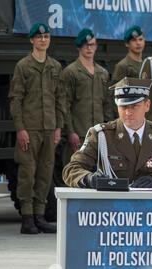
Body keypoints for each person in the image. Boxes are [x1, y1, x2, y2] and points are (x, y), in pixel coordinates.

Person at [63, 78, 152, 188]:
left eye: (134, 106)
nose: (128, 112)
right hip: (113, 208)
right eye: (123, 107)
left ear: (147, 105)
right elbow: (71, 170)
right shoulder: (102, 135)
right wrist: (90, 179)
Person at [9, 23, 63, 234]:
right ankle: (27, 217)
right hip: (30, 129)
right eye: (39, 37)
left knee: (45, 173)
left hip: (49, 129)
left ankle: (39, 215)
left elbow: (60, 99)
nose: (43, 40)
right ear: (31, 40)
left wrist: (59, 127)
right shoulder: (23, 66)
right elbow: (15, 100)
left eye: (46, 36)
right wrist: (20, 129)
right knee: (27, 173)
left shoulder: (55, 67)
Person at [59, 29, 114, 175]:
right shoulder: (70, 72)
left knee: (99, 175)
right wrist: (70, 132)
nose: (89, 48)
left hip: (98, 134)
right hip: (79, 134)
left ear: (96, 46)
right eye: (85, 45)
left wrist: (108, 129)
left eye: (92, 45)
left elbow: (107, 104)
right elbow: (65, 105)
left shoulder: (102, 73)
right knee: (74, 174)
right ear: (79, 47)